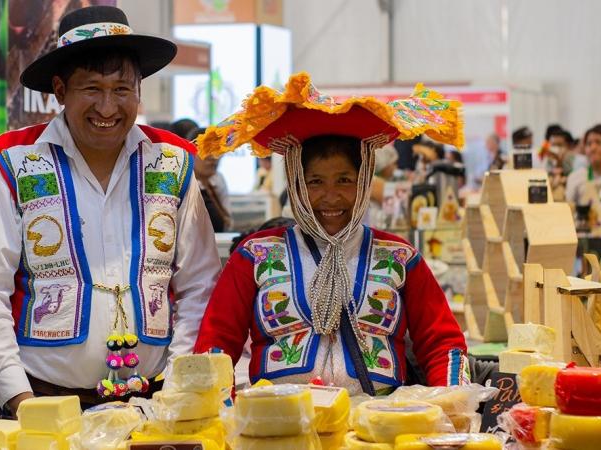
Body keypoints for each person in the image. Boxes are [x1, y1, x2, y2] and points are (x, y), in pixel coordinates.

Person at [0, 6, 221, 415]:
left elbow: (200, 285)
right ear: (61, 90)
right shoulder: (13, 161)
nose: (107, 107)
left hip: (155, 402)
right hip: (43, 401)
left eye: (122, 89)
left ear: (139, 91)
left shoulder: (173, 163)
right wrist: (18, 397)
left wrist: (177, 384)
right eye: (92, 89)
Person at [194, 73, 468, 395]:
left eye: (344, 180)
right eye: (315, 182)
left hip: (376, 429)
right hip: (281, 429)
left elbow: (442, 343)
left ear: (365, 180)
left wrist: (454, 405)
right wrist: (222, 412)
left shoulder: (399, 256)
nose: (331, 196)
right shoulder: (256, 255)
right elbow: (215, 347)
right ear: (295, 183)